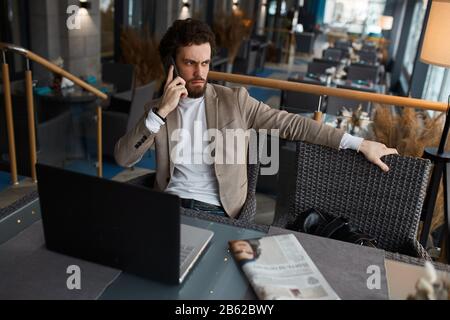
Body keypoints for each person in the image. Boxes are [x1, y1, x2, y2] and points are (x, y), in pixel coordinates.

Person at [114, 19, 397, 219]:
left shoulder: (233, 100)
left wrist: (357, 143)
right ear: (172, 65)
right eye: (190, 63)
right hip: (168, 204)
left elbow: (292, 124)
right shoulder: (157, 108)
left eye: (205, 63)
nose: (200, 72)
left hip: (216, 208)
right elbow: (123, 158)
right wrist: (160, 113)